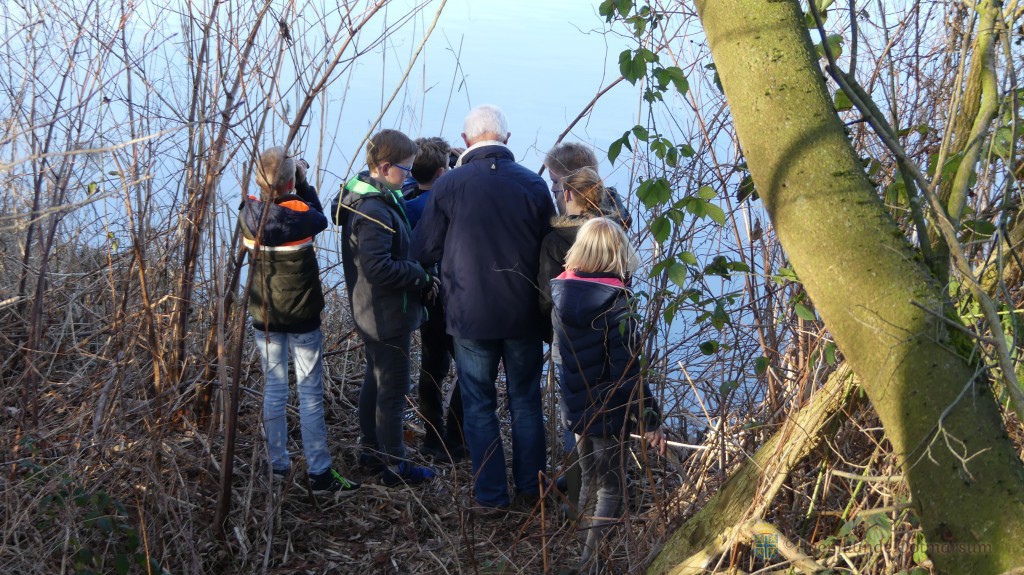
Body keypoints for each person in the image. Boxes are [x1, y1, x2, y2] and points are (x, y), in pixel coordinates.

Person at [412, 105, 555, 514]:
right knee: (525, 399)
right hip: (524, 314)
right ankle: (532, 490)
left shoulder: (449, 185)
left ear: (465, 142)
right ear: (506, 140)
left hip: (469, 316)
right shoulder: (533, 185)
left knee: (478, 402)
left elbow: (423, 249)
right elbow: (549, 249)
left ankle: (491, 497)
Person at [240, 146, 360, 495]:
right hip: (303, 316)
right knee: (309, 394)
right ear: (292, 180)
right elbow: (320, 216)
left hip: (265, 318)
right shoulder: (303, 216)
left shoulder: (248, 213)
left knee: (274, 390)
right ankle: (320, 474)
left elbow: (271, 198)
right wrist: (302, 183)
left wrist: (286, 181)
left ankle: (278, 468)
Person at [549, 217, 666, 573]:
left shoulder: (561, 292)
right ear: (618, 252)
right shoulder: (618, 304)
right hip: (608, 410)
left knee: (588, 479)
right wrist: (650, 420)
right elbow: (628, 372)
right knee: (611, 488)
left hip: (576, 406)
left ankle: (583, 553)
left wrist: (570, 406)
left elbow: (560, 357)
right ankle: (589, 566)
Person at [331, 129, 436, 486]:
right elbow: (376, 267)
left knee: (375, 381)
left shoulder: (367, 194)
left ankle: (370, 449)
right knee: (393, 388)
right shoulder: (373, 210)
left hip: (372, 310)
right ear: (385, 166)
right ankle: (395, 465)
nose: (409, 176)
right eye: (406, 170)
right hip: (384, 313)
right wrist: (418, 275)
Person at [401, 136, 466, 462]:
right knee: (469, 372)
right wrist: (457, 164)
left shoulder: (407, 202)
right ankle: (454, 438)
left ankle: (433, 436)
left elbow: (419, 180)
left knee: (432, 369)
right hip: (454, 298)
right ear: (443, 172)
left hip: (427, 297)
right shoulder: (446, 204)